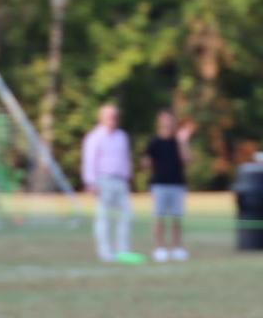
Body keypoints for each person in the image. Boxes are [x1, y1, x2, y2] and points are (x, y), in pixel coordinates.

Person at [81, 102, 133, 262]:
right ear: (101, 118)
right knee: (104, 217)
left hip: (120, 181)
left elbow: (125, 158)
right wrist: (91, 182)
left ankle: (122, 250)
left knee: (126, 215)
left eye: (114, 116)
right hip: (103, 180)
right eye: (109, 116)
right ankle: (105, 252)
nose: (112, 119)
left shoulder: (122, 136)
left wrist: (127, 176)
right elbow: (89, 160)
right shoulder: (95, 137)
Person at [145, 109, 192, 262]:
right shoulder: (154, 142)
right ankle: (159, 248)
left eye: (170, 120)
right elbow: (146, 162)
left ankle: (177, 248)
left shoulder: (178, 142)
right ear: (160, 122)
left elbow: (187, 160)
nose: (168, 123)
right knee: (159, 218)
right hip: (159, 185)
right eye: (165, 120)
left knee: (176, 218)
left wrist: (183, 142)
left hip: (177, 185)